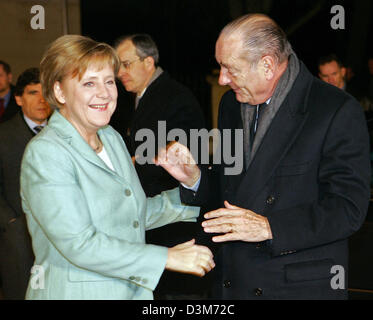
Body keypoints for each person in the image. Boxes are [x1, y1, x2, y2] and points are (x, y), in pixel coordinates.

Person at [157, 14, 371, 299]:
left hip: (294, 287)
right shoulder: (231, 105)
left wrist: (269, 227)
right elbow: (231, 190)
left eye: (230, 69)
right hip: (233, 283)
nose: (222, 78)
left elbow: (348, 209)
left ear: (268, 65)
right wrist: (195, 178)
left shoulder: (335, 110)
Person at [20, 34, 214, 300]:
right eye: (89, 82)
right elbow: (79, 244)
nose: (104, 92)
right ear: (59, 92)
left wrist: (192, 187)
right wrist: (165, 257)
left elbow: (134, 215)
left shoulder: (110, 138)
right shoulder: (46, 153)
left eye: (109, 81)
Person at [114, 34, 208, 298]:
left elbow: (184, 155)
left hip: (173, 224)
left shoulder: (174, 97)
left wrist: (131, 163)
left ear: (148, 62)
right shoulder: (142, 97)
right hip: (153, 223)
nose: (120, 73)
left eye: (126, 64)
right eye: (118, 66)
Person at [0, 67, 51, 299]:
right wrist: (11, 222)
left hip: (62, 235)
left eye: (45, 93)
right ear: (18, 98)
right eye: (32, 93)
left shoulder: (68, 132)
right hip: (19, 236)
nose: (41, 100)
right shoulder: (3, 135)